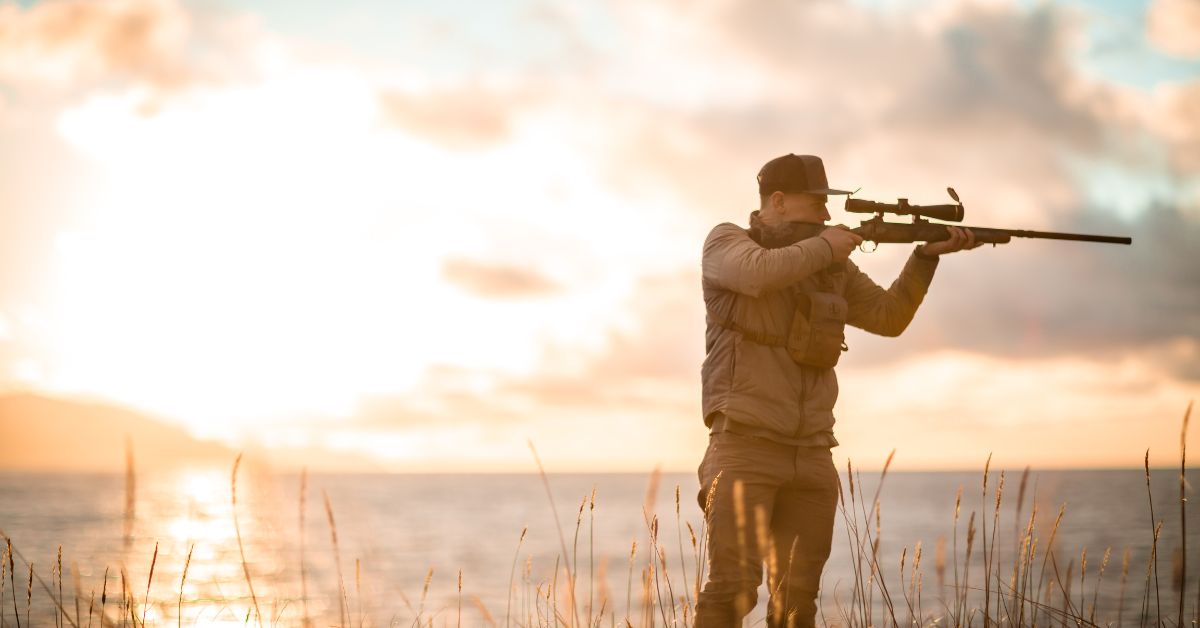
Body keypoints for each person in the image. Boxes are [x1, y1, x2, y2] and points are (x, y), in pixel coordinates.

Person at [695, 154, 982, 627]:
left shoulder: (833, 267)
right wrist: (829, 247)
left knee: (796, 604)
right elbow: (757, 273)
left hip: (812, 456)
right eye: (816, 204)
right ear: (780, 202)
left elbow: (889, 318)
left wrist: (924, 258)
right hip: (744, 447)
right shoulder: (727, 242)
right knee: (732, 592)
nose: (828, 216)